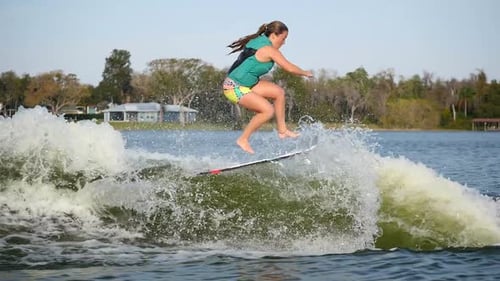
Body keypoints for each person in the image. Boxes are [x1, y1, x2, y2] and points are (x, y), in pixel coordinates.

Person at [223, 20, 313, 154]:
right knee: (267, 111)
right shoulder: (269, 49)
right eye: (283, 38)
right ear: (274, 35)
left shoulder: (259, 40)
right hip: (233, 87)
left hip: (247, 84)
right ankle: (243, 139)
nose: (284, 43)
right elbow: (289, 67)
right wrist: (305, 73)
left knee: (278, 92)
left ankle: (282, 130)